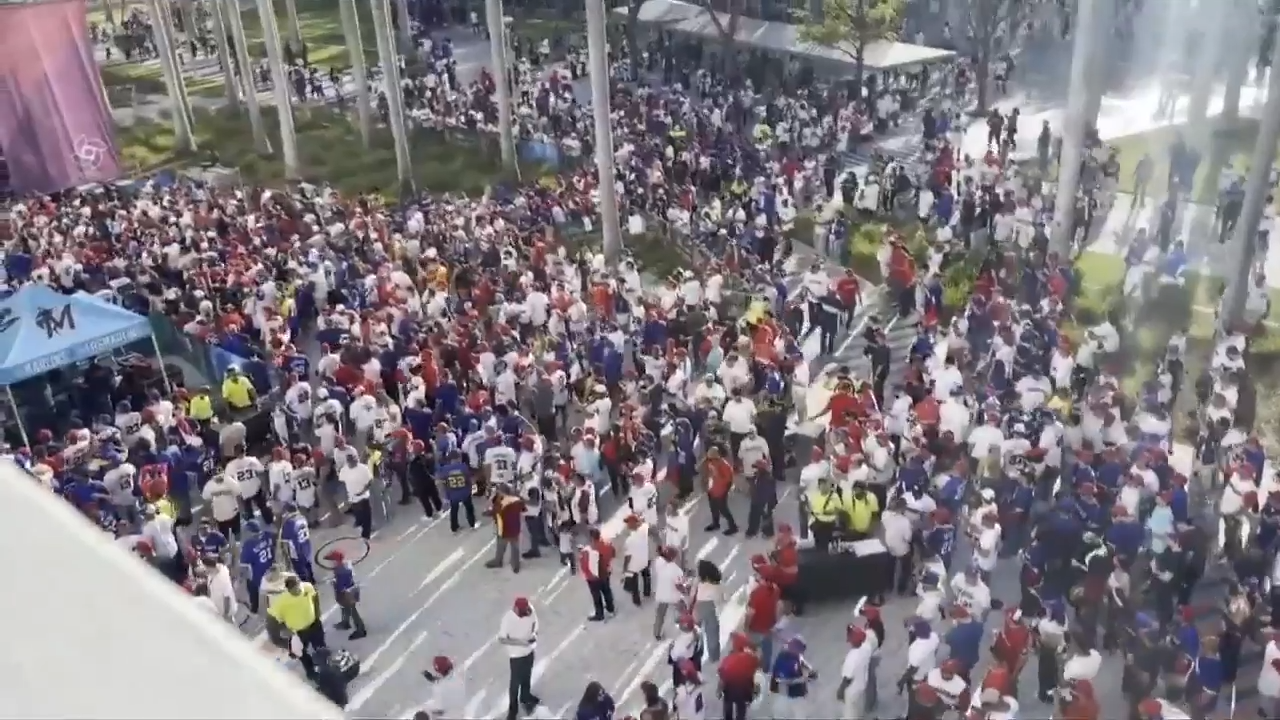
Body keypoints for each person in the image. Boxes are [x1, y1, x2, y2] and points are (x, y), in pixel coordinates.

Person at [267, 574, 327, 678]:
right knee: (302, 653)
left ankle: (325, 667)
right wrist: (281, 633)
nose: (298, 591)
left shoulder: (307, 587)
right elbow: (272, 618)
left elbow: (315, 596)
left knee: (320, 646)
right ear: (288, 590)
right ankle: (310, 670)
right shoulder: (281, 601)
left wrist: (317, 613)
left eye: (298, 587)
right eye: (294, 590)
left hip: (314, 625)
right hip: (298, 632)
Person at [499, 596, 541, 720]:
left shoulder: (531, 611)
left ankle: (525, 697)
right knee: (515, 684)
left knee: (527, 676)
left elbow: (535, 625)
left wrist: (534, 635)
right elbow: (502, 638)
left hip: (529, 651)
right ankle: (513, 709)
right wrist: (521, 643)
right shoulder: (508, 619)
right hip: (516, 655)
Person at [326, 549, 367, 640]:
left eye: (331, 560)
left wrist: (334, 583)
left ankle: (360, 630)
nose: (330, 563)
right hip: (351, 591)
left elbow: (341, 586)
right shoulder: (344, 566)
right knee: (345, 608)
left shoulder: (341, 571)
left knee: (353, 611)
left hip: (348, 594)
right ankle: (345, 622)